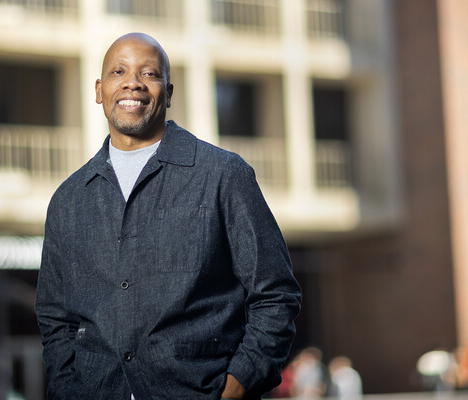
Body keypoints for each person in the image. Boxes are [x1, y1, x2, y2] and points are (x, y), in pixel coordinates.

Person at [34, 32, 302, 400]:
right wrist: (68, 389)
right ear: (99, 90)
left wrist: (237, 385)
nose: (133, 83)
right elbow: (55, 319)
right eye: (119, 72)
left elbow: (275, 295)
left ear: (169, 92)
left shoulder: (223, 175)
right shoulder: (68, 199)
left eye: (149, 74)